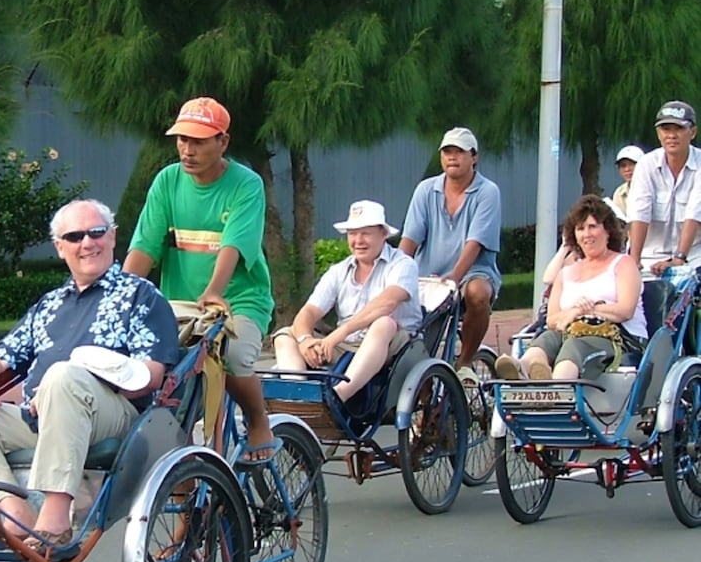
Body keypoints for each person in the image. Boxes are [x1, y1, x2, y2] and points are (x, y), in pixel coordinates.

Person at [0, 198, 179, 555]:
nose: (87, 243)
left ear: (112, 238)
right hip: (39, 415)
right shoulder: (49, 304)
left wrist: (93, 370)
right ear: (60, 248)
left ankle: (56, 517)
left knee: (63, 377)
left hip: (113, 416)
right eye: (74, 236)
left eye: (96, 233)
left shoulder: (141, 296)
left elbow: (151, 376)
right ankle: (13, 509)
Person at [123, 96, 276, 462]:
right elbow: (145, 246)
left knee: (234, 356)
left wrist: (213, 291)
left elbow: (233, 245)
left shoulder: (246, 184)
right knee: (162, 382)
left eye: (198, 141)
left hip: (238, 300)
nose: (187, 150)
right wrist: (119, 297)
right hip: (179, 304)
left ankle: (257, 419)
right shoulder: (167, 181)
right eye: (182, 140)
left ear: (222, 141)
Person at [272, 200, 422, 405]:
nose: (358, 240)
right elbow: (308, 312)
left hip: (394, 345)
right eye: (352, 233)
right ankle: (299, 399)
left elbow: (387, 303)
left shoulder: (403, 264)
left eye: (365, 233)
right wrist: (305, 340)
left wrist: (338, 334)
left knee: (383, 323)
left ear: (383, 234)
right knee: (285, 335)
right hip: (347, 345)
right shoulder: (339, 271)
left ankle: (338, 397)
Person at [495, 195, 646, 381]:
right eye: (580, 229)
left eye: (593, 226)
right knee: (547, 338)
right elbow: (552, 319)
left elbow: (625, 310)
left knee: (574, 345)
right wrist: (574, 312)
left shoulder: (623, 264)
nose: (587, 234)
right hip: (571, 331)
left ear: (607, 231)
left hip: (618, 338)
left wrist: (582, 311)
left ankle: (555, 389)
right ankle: (525, 369)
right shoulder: (566, 272)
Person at [398, 127, 501, 376]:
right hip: (428, 275)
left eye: (459, 152)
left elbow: (475, 243)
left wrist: (453, 279)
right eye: (447, 152)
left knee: (477, 293)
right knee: (416, 345)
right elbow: (409, 239)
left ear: (473, 157)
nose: (452, 157)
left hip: (471, 273)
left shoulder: (487, 192)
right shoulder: (426, 190)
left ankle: (464, 363)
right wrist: (395, 272)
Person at [627, 100, 701, 276]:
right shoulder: (646, 164)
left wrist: (679, 259)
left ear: (693, 132)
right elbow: (639, 212)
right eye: (666, 129)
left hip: (694, 257)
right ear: (658, 133)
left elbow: (695, 212)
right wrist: (634, 260)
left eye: (679, 129)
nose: (671, 135)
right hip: (648, 258)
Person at [611, 144, 644, 219]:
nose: (627, 169)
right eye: (623, 166)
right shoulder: (619, 193)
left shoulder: (655, 187)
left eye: (632, 164)